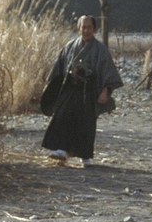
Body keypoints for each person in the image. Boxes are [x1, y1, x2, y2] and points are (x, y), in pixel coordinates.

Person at [41, 15, 123, 168]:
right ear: (79, 29)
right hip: (70, 89)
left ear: (94, 29)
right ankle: (62, 150)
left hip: (89, 92)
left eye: (89, 27)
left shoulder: (100, 50)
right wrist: (52, 87)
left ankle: (85, 157)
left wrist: (106, 91)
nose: (86, 30)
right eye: (83, 27)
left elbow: (108, 72)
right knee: (62, 117)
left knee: (86, 124)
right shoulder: (70, 46)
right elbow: (59, 69)